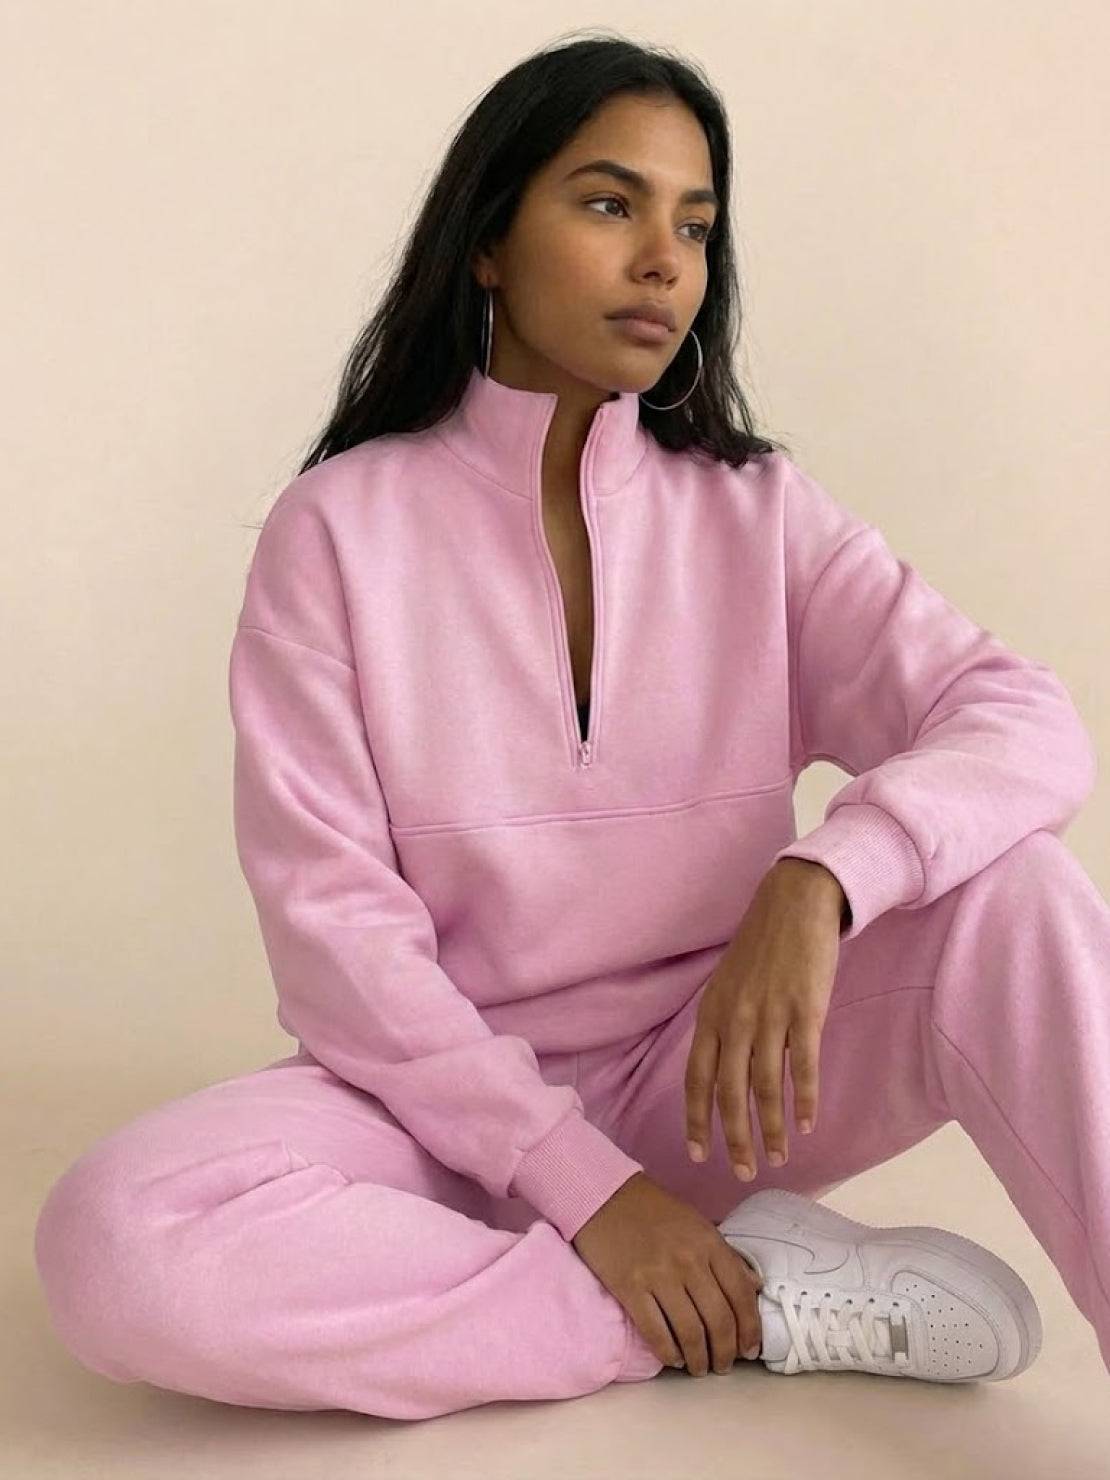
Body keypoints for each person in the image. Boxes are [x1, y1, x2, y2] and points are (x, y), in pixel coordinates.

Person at [33, 30, 1107, 1422]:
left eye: (695, 226)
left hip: (719, 1084)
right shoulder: (340, 532)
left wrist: (824, 877)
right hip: (429, 1112)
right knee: (121, 1240)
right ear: (488, 240)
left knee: (1019, 895)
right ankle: (742, 1301)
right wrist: (590, 1193)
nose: (663, 260)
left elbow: (1023, 722)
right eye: (609, 204)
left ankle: (628, 1277)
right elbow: (338, 944)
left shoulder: (759, 517)